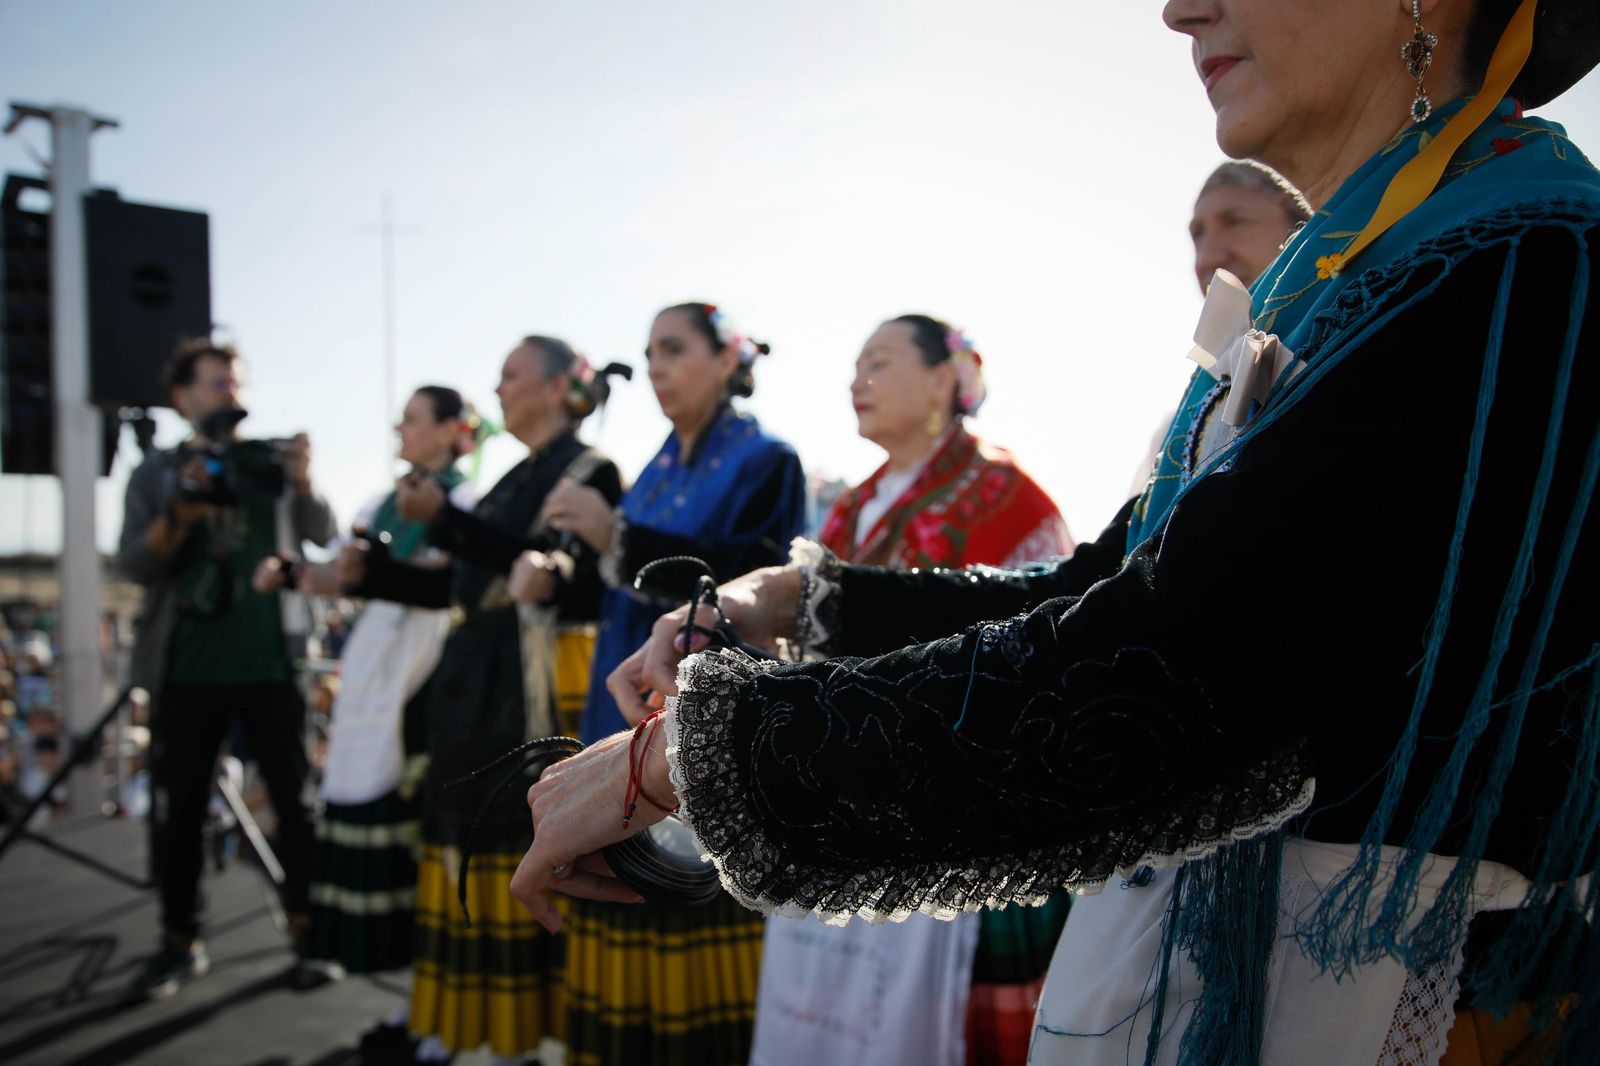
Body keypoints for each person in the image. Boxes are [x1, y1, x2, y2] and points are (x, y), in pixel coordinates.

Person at [510, 2, 1600, 1063]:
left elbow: (1162, 669)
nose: (1180, 11)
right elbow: (1098, 585)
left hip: (1417, 999)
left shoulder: (1520, 267)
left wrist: (684, 759)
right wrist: (791, 603)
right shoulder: (1359, 279)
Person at [753, 315, 1071, 1066]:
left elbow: (1044, 654)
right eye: (856, 365)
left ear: (943, 379)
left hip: (953, 804)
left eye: (879, 363)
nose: (856, 380)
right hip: (838, 796)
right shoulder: (849, 507)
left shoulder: (1007, 496)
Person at [529, 302, 806, 1066]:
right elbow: (623, 592)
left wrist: (616, 536)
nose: (655, 366)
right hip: (621, 704)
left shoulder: (766, 460)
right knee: (627, 902)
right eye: (648, 351)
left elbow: (749, 574)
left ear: (727, 359)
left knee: (691, 914)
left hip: (696, 722)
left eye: (674, 349)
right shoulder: (654, 466)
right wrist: (563, 580)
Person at [343, 339, 623, 1065]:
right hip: (475, 680)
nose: (497, 391)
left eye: (510, 377)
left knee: (504, 842)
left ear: (563, 388)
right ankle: (459, 1027)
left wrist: (448, 519)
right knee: (461, 841)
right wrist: (369, 574)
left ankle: (514, 1038)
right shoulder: (515, 478)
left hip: (520, 691)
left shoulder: (589, 469)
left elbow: (551, 580)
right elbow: (455, 587)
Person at [118, 338, 336, 1002]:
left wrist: (301, 479)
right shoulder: (156, 473)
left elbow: (320, 530)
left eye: (236, 385)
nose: (230, 397)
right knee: (178, 810)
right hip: (187, 668)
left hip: (270, 662)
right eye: (216, 385)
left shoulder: (264, 462)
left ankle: (308, 930)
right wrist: (179, 514)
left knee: (294, 804)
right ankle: (179, 938)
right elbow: (135, 565)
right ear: (182, 398)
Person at [253, 386, 481, 993]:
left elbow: (451, 585)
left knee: (415, 825)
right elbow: (342, 570)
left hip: (428, 670)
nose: (399, 430)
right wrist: (293, 573)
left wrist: (363, 574)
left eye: (411, 419)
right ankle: (398, 986)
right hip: (379, 662)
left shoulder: (465, 500)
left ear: (449, 429)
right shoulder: (382, 502)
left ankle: (430, 995)